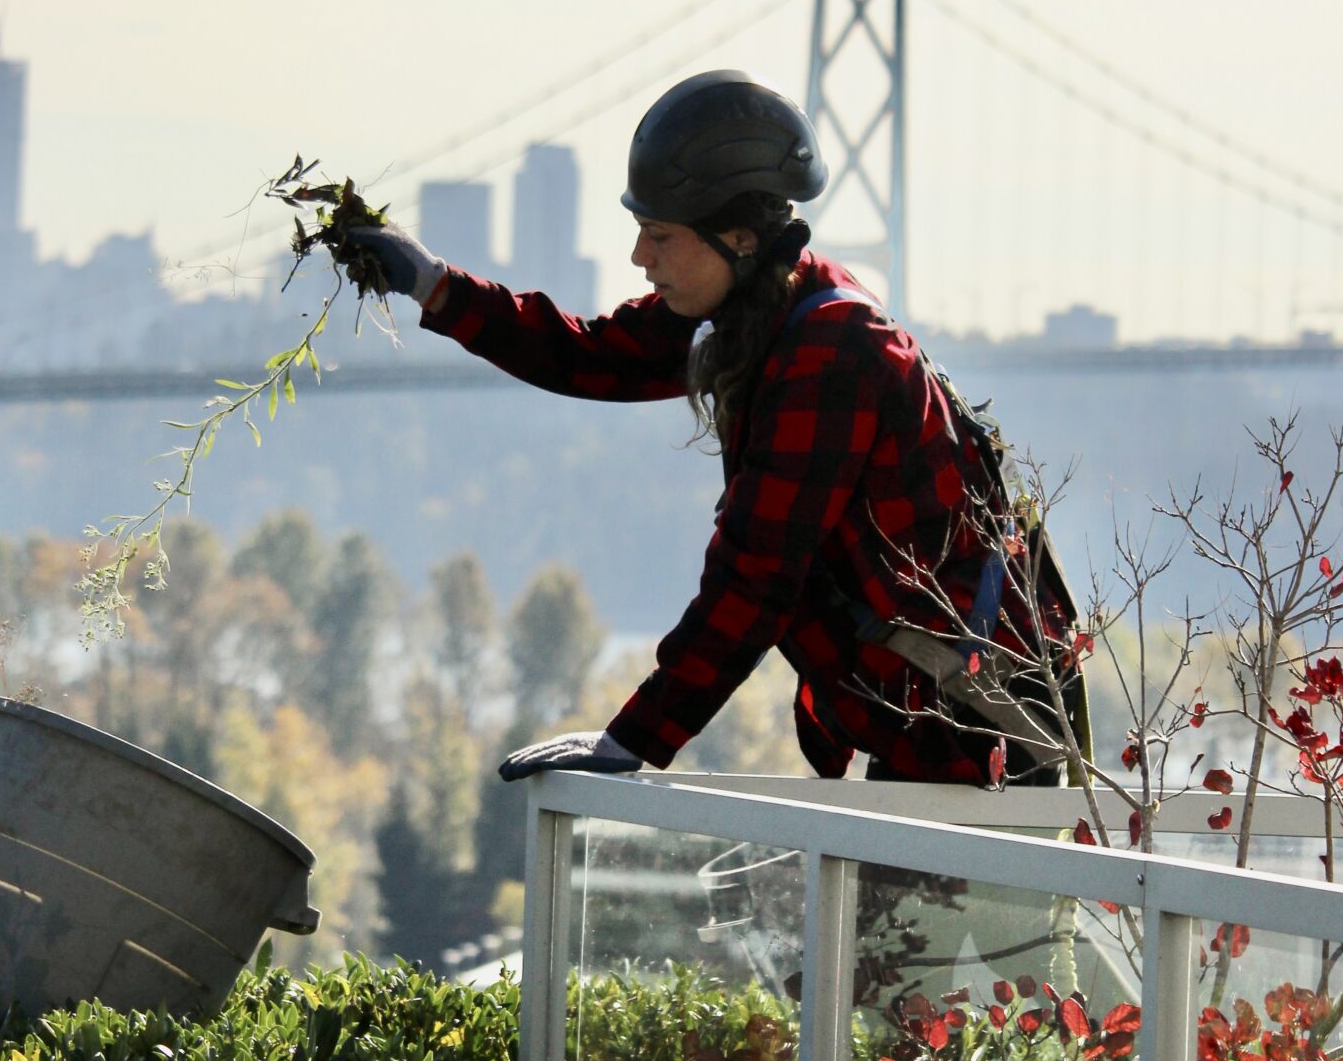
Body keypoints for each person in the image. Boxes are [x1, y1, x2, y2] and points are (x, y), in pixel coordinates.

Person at [342, 70, 1077, 788]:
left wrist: (634, 736)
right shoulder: (765, 301)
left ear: (739, 237)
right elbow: (594, 355)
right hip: (934, 724)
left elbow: (756, 578)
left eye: (658, 235)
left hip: (982, 738)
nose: (640, 257)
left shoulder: (830, 353)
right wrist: (432, 284)